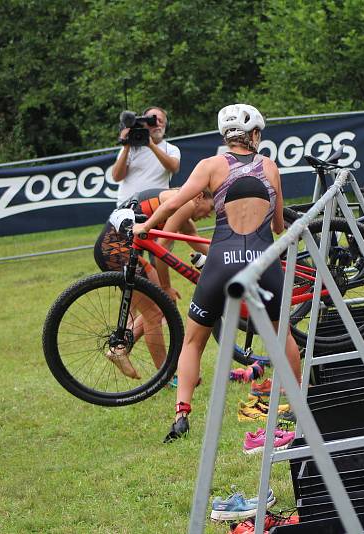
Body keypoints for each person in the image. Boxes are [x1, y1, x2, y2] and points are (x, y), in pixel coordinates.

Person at [133, 103, 303, 443]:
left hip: (222, 259)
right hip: (262, 260)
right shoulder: (269, 167)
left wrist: (146, 226)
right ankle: (298, 407)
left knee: (194, 341)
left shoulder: (210, 165)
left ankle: (181, 414)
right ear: (254, 135)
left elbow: (173, 203)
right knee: (282, 336)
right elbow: (280, 224)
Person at [95, 188, 214, 378]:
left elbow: (200, 244)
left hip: (122, 251)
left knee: (164, 306)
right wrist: (165, 287)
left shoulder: (184, 208)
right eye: (212, 207)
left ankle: (119, 349)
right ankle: (166, 376)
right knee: (154, 313)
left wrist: (228, 262)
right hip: (115, 252)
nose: (209, 214)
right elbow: (162, 248)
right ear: (199, 197)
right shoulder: (186, 203)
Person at [111, 106, 181, 206]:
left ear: (166, 125)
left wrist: (151, 145)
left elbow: (174, 167)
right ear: (144, 125)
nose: (157, 124)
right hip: (128, 206)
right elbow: (117, 177)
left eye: (160, 121)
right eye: (151, 121)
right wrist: (126, 146)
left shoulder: (171, 149)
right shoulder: (131, 148)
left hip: (156, 206)